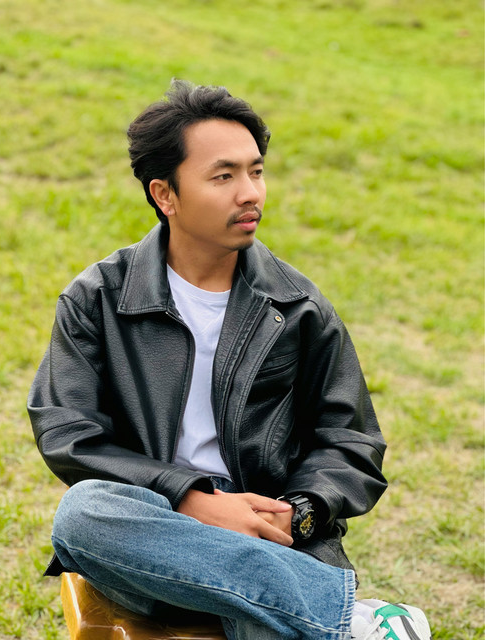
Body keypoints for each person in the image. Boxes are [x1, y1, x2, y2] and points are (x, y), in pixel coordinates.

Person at [28, 81, 431, 640]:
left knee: (261, 614)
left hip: (270, 534)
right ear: (165, 195)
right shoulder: (98, 298)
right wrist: (192, 499)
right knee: (84, 513)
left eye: (256, 172)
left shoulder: (298, 307)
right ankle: (352, 621)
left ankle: (309, 609)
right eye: (224, 177)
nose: (250, 194)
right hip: (158, 535)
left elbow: (351, 441)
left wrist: (297, 512)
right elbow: (67, 433)